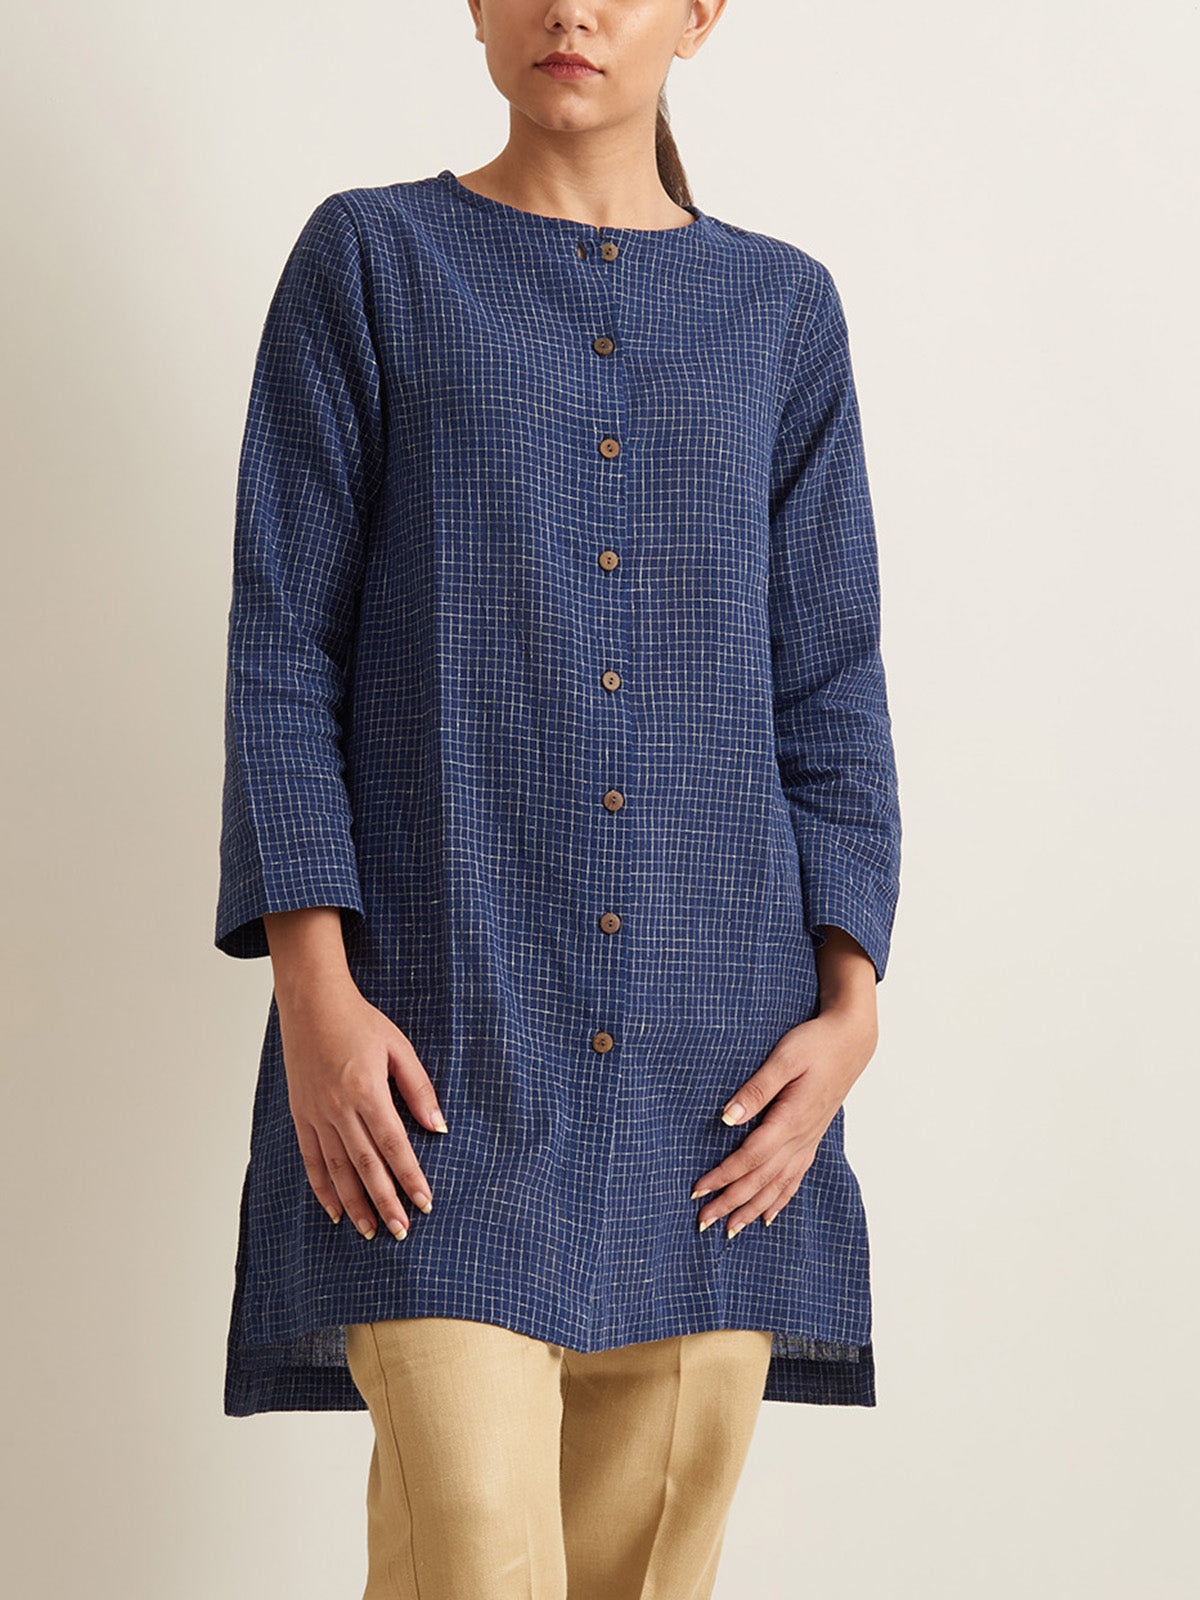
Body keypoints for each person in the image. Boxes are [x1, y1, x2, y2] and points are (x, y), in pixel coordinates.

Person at [214, 2, 902, 1595]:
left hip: (719, 1091)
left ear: (702, 13)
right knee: (472, 1548)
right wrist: (315, 994)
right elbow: (281, 646)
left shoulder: (783, 314)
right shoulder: (372, 264)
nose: (571, 9)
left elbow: (831, 686)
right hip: (432, 1058)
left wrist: (852, 1008)